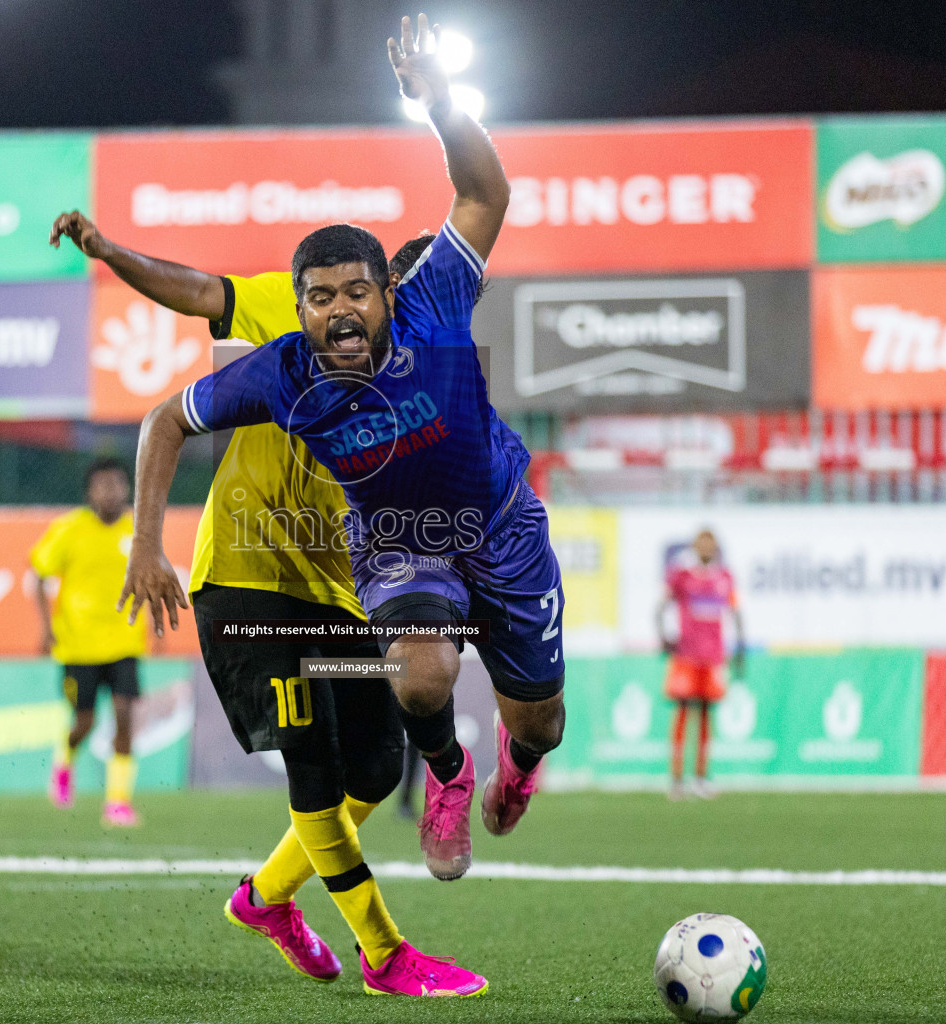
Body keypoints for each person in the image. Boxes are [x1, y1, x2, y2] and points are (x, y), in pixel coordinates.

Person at [121, 13, 566, 891]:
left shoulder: (433, 301)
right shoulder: (281, 371)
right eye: (319, 298)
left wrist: (439, 101)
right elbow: (164, 419)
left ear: (386, 293)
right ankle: (447, 774)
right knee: (421, 676)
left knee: (543, 720)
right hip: (400, 540)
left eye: (356, 290)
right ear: (300, 309)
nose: (339, 310)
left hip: (502, 529)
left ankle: (519, 764)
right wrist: (145, 542)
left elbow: (485, 198)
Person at [48, 176, 484, 997]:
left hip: (339, 596)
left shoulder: (437, 382)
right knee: (312, 762)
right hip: (249, 582)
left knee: (377, 771)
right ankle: (386, 955)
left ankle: (266, 899)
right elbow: (194, 303)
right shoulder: (292, 323)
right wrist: (109, 253)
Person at [30, 458, 147, 825]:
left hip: (124, 641)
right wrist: (46, 628)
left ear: (127, 489)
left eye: (117, 484)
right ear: (89, 492)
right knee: (84, 721)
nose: (110, 491)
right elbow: (37, 574)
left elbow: (152, 576)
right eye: (102, 485)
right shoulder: (69, 530)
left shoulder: (139, 532)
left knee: (125, 716)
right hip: (78, 645)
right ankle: (64, 764)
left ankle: (117, 802)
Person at [657, 529, 745, 800]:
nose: (706, 548)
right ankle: (676, 779)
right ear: (695, 546)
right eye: (702, 543)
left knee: (707, 715)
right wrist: (663, 636)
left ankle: (700, 777)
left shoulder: (724, 578)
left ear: (715, 547)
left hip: (713, 657)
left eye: (711, 544)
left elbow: (735, 612)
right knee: (683, 713)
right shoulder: (682, 576)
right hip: (686, 655)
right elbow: (660, 606)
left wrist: (740, 646)